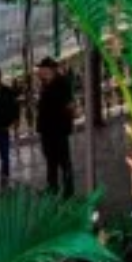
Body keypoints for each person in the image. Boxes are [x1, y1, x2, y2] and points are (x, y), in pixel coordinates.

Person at [34, 56, 77, 196]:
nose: (39, 71)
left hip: (58, 129)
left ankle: (68, 190)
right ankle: (52, 188)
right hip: (47, 129)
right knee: (51, 160)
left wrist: (68, 123)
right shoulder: (45, 84)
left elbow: (70, 106)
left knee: (64, 161)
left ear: (49, 69)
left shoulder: (62, 83)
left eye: (41, 68)